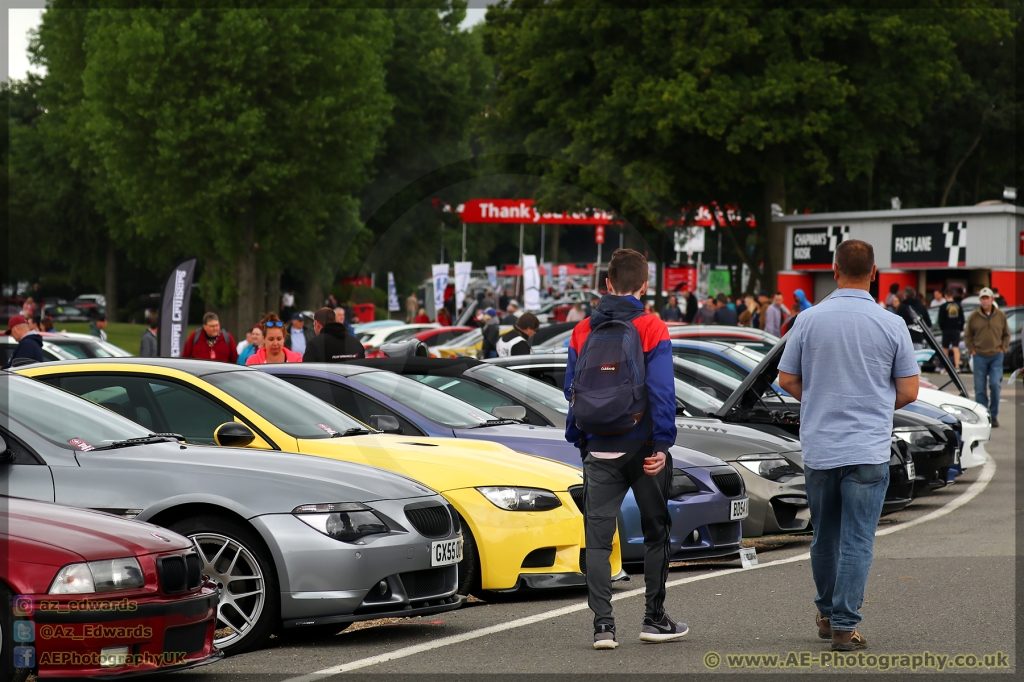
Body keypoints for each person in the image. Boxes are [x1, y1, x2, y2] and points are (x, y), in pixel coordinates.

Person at [778, 239, 919, 652]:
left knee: (824, 535)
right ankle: (844, 625)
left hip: (821, 446)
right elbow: (909, 390)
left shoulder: (807, 319)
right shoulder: (891, 324)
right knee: (858, 539)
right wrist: (874, 403)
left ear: (834, 271)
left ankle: (825, 613)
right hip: (868, 448)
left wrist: (822, 397)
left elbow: (786, 380)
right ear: (875, 273)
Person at [564, 248, 684, 650]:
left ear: (607, 284)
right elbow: (662, 391)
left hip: (597, 447)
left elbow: (572, 391)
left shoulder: (582, 331)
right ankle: (653, 618)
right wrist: (663, 443)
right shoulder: (652, 326)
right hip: (644, 447)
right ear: (645, 285)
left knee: (597, 540)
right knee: (656, 533)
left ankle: (603, 627)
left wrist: (579, 437)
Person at [964, 287, 1009, 428]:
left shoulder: (1001, 315)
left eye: (987, 298)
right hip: (979, 356)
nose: (985, 301)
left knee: (995, 385)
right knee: (980, 389)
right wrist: (972, 349)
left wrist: (1003, 349)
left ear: (992, 299)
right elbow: (967, 335)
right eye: (982, 298)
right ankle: (983, 416)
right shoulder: (974, 316)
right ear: (980, 300)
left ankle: (994, 415)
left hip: (996, 355)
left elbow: (1006, 334)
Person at [937, 289, 964, 372]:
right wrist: (960, 328)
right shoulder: (958, 305)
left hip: (946, 330)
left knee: (945, 348)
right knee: (956, 347)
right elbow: (962, 319)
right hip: (956, 329)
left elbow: (940, 320)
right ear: (952, 295)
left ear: (945, 296)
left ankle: (946, 367)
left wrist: (942, 328)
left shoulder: (943, 307)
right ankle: (957, 366)